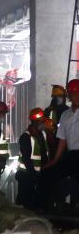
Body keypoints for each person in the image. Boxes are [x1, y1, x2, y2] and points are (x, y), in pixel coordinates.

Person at [41, 79, 79, 210]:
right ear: (69, 96)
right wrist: (55, 160)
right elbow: (62, 139)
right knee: (49, 174)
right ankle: (49, 208)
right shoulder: (65, 115)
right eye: (74, 94)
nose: (76, 97)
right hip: (71, 155)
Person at [16, 108, 48, 210]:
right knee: (24, 202)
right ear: (34, 122)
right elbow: (26, 159)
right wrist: (34, 174)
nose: (43, 123)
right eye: (41, 121)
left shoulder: (42, 135)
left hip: (38, 174)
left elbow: (43, 155)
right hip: (26, 175)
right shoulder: (25, 137)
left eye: (44, 121)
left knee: (35, 203)